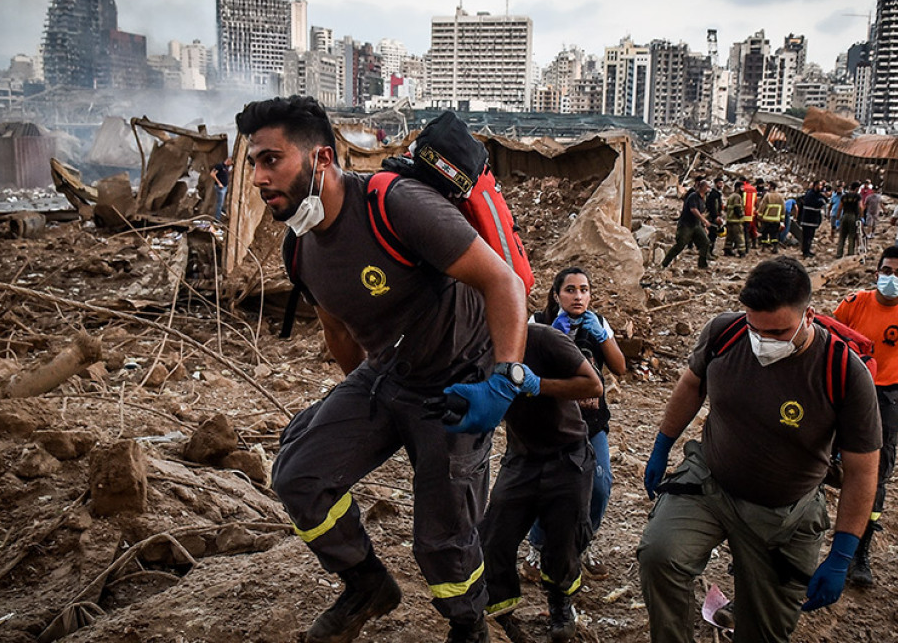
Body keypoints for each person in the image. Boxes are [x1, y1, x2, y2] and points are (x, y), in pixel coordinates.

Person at [241, 96, 533, 643]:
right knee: (300, 474)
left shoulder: (395, 204)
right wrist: (356, 409)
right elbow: (338, 328)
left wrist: (505, 378)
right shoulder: (300, 247)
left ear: (321, 157)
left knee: (442, 545)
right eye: (253, 161)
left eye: (271, 159)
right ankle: (367, 585)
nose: (258, 176)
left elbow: (505, 284)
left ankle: (469, 625)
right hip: (389, 374)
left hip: (458, 379)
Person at [637, 256, 881, 643]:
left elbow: (863, 470)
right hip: (710, 484)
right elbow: (690, 386)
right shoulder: (727, 332)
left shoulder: (843, 372)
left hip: (784, 509)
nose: (764, 341)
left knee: (765, 630)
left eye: (780, 332)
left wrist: (842, 553)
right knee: (659, 555)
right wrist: (661, 446)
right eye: (757, 328)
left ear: (809, 317)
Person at [480, 323, 603, 643]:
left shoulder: (542, 339)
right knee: (494, 538)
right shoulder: (476, 347)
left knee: (563, 540)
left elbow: (593, 385)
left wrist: (538, 385)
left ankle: (560, 603)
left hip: (567, 456)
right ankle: (501, 611)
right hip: (521, 458)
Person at [832, 244, 898, 586]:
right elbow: (826, 345)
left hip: (886, 398)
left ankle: (857, 552)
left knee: (876, 477)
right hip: (845, 390)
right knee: (814, 462)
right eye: (887, 271)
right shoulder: (853, 304)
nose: (892, 278)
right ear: (876, 272)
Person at [527, 267, 627, 580]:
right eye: (570, 289)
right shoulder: (538, 322)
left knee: (598, 486)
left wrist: (602, 336)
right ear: (557, 295)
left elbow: (620, 368)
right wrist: (551, 338)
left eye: (584, 289)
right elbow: (524, 369)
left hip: (589, 423)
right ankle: (537, 547)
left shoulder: (596, 323)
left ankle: (583, 544)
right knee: (542, 485)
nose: (578, 296)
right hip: (548, 422)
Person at [662, 180, 713, 270]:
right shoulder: (693, 196)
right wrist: (704, 220)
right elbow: (693, 210)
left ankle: (702, 264)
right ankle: (665, 263)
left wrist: (703, 226)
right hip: (686, 224)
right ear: (703, 187)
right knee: (680, 244)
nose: (709, 189)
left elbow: (702, 212)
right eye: (707, 187)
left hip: (696, 225)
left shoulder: (703, 199)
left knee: (705, 242)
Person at [797, 180, 826, 258]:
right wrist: (821, 202)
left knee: (810, 236)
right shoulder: (810, 194)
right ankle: (805, 252)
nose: (821, 187)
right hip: (808, 220)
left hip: (812, 220)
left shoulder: (817, 195)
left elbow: (825, 200)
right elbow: (816, 203)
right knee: (807, 237)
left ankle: (807, 250)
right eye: (819, 185)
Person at [835, 182, 863, 259]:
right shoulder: (857, 196)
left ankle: (839, 254)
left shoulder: (844, 196)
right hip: (853, 216)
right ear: (857, 188)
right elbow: (860, 207)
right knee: (851, 236)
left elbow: (840, 208)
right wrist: (861, 217)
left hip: (844, 215)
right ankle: (850, 254)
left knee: (842, 236)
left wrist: (837, 219)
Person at [758, 181, 785, 252]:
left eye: (769, 185)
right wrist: (782, 219)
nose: (767, 187)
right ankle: (775, 248)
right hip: (776, 219)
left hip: (766, 219)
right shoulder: (780, 196)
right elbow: (783, 208)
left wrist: (759, 216)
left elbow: (762, 206)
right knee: (774, 234)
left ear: (772, 187)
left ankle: (763, 248)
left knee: (764, 233)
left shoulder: (767, 195)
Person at [724, 182, 747, 257]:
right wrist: (741, 215)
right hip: (736, 220)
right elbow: (737, 207)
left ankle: (727, 250)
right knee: (739, 236)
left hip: (729, 219)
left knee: (730, 236)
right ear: (737, 188)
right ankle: (742, 251)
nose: (743, 189)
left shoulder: (731, 196)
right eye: (742, 187)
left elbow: (726, 207)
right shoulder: (737, 196)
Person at [705, 177, 726, 258]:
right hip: (712, 218)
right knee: (712, 235)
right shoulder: (714, 194)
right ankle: (708, 253)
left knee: (714, 235)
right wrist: (716, 216)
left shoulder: (717, 193)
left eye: (722, 183)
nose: (721, 185)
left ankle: (710, 252)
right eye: (720, 183)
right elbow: (713, 206)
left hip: (715, 216)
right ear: (716, 183)